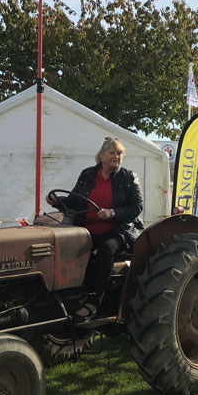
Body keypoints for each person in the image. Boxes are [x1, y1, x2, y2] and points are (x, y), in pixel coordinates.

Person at [48, 137, 143, 322]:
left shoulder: (129, 177)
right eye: (112, 153)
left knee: (107, 249)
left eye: (120, 153)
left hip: (118, 230)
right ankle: (70, 296)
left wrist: (112, 213)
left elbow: (136, 207)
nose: (117, 156)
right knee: (67, 247)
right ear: (101, 156)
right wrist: (57, 201)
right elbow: (75, 201)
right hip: (87, 229)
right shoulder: (87, 175)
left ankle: (94, 302)